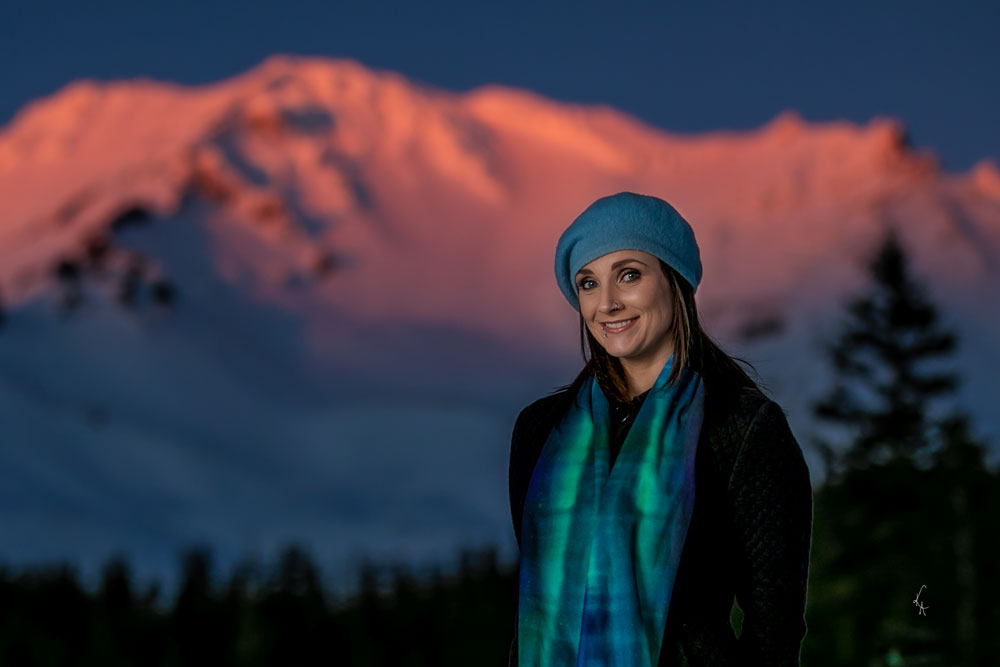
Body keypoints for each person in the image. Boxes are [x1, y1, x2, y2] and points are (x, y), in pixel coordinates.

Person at [507, 192, 812, 666]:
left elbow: (775, 626)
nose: (607, 303)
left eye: (628, 275)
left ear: (675, 280)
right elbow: (532, 610)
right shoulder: (540, 431)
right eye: (588, 283)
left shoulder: (741, 428)